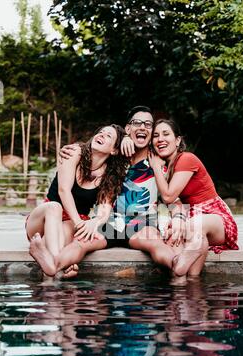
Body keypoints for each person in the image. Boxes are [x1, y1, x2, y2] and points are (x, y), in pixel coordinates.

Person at [59, 106, 185, 273]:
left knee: (154, 242)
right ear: (127, 129)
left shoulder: (157, 164)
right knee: (80, 242)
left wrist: (179, 217)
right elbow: (93, 150)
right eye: (137, 123)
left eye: (148, 124)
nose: (142, 127)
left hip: (142, 223)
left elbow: (173, 198)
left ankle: (178, 268)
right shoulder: (113, 158)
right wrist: (74, 149)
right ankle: (54, 266)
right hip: (107, 222)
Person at [26, 124, 127, 277]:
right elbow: (63, 191)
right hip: (44, 218)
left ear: (114, 150)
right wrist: (80, 224)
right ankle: (57, 266)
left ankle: (51, 268)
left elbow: (105, 209)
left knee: (55, 246)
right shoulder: (74, 153)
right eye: (100, 132)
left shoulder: (110, 176)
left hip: (69, 224)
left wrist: (95, 221)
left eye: (108, 136)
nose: (101, 135)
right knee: (55, 207)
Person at [148, 119, 239, 277]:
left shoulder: (186, 159)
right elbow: (173, 203)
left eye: (165, 134)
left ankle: (181, 268)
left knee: (193, 226)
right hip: (190, 219)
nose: (160, 139)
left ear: (177, 140)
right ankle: (189, 285)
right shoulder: (165, 168)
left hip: (215, 217)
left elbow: (169, 196)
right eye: (156, 135)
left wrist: (155, 167)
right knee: (178, 240)